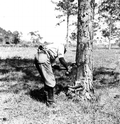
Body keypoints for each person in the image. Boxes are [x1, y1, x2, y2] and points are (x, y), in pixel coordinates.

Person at [34, 42, 71, 107]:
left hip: (38, 56)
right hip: (43, 58)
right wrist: (67, 67)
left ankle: (45, 97)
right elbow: (61, 59)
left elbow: (53, 65)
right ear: (64, 49)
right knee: (50, 81)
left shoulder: (52, 47)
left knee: (46, 80)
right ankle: (50, 102)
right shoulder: (61, 46)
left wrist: (64, 68)